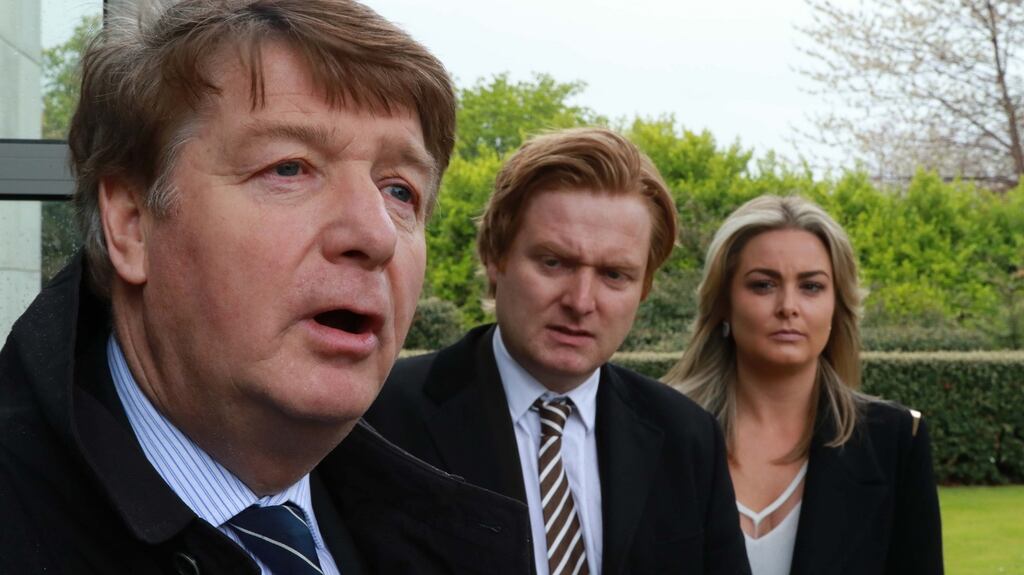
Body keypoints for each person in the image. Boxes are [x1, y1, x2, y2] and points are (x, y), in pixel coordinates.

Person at [0, 1, 533, 573]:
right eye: (289, 168)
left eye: (399, 190)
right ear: (132, 223)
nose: (375, 233)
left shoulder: (456, 541)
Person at [366, 127, 751, 575]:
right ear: (496, 256)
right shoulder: (382, 417)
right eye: (554, 262)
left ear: (644, 287)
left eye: (614, 275)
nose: (581, 301)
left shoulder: (688, 437)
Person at [663, 195, 943, 574]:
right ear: (724, 303)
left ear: (836, 304)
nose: (788, 306)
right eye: (763, 285)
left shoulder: (893, 441)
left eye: (811, 287)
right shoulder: (660, 433)